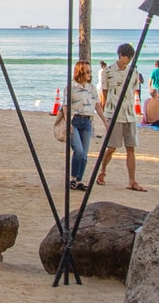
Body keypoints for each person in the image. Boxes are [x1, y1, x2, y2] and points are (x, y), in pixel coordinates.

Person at [99, 44, 145, 192]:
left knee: (131, 147)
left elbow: (134, 90)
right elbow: (104, 92)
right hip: (114, 113)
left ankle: (132, 180)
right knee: (112, 147)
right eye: (126, 57)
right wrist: (107, 109)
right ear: (120, 55)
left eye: (130, 57)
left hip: (129, 114)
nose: (128, 60)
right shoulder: (108, 71)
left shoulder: (133, 71)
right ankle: (103, 171)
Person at [57, 62, 95, 191]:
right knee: (78, 151)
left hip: (87, 121)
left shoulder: (92, 88)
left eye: (90, 72)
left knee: (84, 154)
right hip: (75, 120)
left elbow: (98, 105)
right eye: (87, 72)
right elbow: (66, 106)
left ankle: (79, 180)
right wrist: (68, 123)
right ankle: (73, 178)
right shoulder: (70, 88)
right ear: (80, 72)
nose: (89, 74)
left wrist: (105, 121)